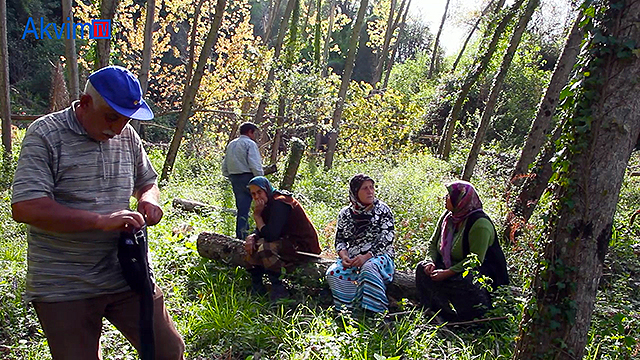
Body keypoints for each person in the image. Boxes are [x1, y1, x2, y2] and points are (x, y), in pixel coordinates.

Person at [11, 66, 185, 359]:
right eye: (111, 117)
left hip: (126, 273)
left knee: (167, 350)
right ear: (85, 102)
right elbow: (26, 206)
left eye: (126, 119)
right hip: (65, 284)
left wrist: (149, 200)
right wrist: (100, 222)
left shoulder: (127, 136)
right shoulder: (45, 134)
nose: (117, 128)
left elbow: (148, 182)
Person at [415, 180, 509, 322]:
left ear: (460, 200)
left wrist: (447, 273)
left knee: (467, 278)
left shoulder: (480, 224)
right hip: (450, 267)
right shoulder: (448, 217)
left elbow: (475, 260)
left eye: (448, 196)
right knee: (422, 269)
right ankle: (440, 314)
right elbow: (433, 244)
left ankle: (473, 320)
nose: (445, 199)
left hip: (480, 273)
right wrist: (430, 261)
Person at [325, 174, 396, 314]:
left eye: (372, 187)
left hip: (379, 257)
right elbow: (340, 240)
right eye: (365, 188)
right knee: (332, 273)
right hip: (354, 258)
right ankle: (349, 312)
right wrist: (344, 256)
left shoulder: (383, 210)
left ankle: (376, 313)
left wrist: (366, 257)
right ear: (355, 192)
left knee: (368, 268)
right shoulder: (345, 214)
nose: (370, 191)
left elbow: (387, 238)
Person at [244, 176, 321, 301]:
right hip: (286, 240)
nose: (257, 197)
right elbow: (263, 230)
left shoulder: (280, 202)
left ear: (267, 190)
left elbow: (271, 235)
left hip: (302, 245)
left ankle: (278, 288)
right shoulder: (266, 204)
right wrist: (252, 236)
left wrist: (257, 216)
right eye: (253, 194)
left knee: (266, 248)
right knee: (252, 245)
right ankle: (257, 285)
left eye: (259, 192)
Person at [222, 122, 264, 240]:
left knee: (242, 209)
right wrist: (261, 179)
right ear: (250, 132)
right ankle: (261, 233)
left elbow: (225, 164)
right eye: (254, 133)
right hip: (248, 177)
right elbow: (254, 164)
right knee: (262, 205)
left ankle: (241, 235)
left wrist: (228, 175)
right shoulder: (250, 144)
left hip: (234, 177)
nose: (254, 136)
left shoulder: (231, 144)